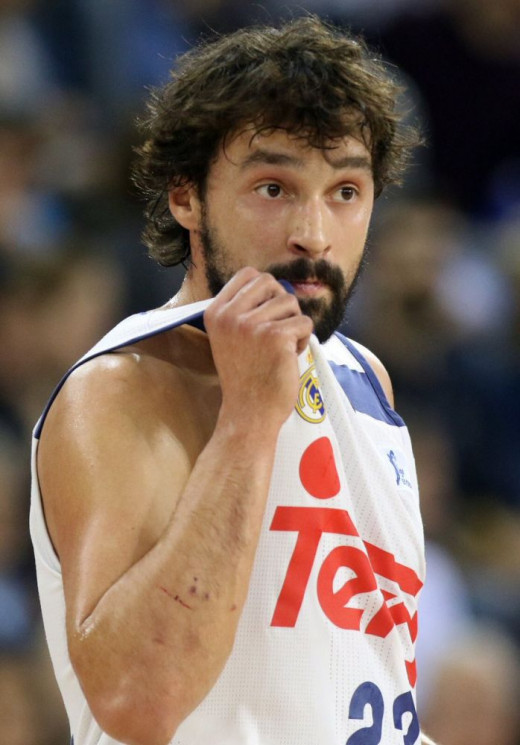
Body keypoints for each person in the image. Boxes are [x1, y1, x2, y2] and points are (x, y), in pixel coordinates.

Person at [30, 16, 433, 745]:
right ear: (185, 196)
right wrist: (248, 421)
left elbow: (359, 681)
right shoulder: (119, 388)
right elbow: (138, 702)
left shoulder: (366, 379)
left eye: (345, 191)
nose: (313, 231)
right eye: (274, 187)